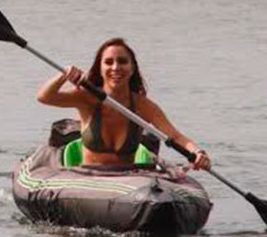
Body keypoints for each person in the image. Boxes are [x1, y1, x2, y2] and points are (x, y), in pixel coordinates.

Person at [36, 37, 210, 171]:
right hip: (88, 176)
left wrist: (197, 152)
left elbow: (176, 137)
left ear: (132, 68)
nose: (116, 67)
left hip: (127, 179)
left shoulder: (143, 106)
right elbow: (45, 97)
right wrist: (63, 76)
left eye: (122, 61)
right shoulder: (86, 98)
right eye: (109, 62)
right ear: (100, 68)